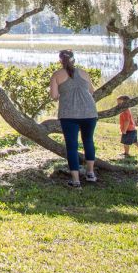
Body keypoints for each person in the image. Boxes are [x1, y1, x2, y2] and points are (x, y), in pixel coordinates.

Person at [51, 49, 100, 187]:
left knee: (71, 146)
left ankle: (76, 180)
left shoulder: (57, 75)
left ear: (60, 61)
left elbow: (54, 96)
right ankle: (90, 173)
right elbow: (91, 91)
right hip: (89, 112)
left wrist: (64, 93)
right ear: (74, 60)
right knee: (88, 141)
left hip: (69, 114)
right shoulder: (84, 73)